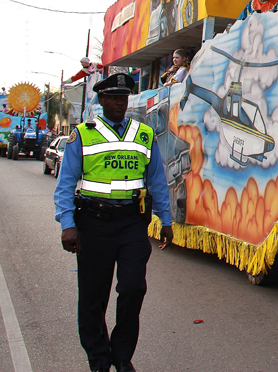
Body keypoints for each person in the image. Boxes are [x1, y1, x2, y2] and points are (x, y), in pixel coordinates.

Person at [53, 73, 173, 372]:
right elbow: (65, 183)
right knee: (94, 296)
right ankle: (99, 358)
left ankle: (122, 356)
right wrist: (68, 224)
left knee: (133, 289)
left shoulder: (144, 134)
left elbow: (157, 180)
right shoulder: (82, 134)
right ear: (101, 100)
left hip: (132, 223)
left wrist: (166, 219)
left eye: (124, 98)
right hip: (93, 224)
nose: (120, 103)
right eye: (113, 97)